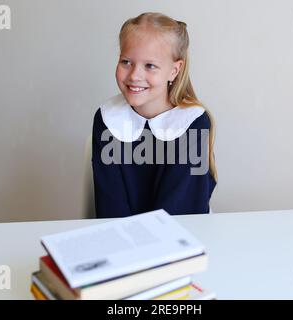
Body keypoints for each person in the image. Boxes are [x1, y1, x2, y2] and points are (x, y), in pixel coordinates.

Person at [92, 12, 217, 218]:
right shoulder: (107, 119)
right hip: (125, 239)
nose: (134, 75)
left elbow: (182, 210)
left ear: (174, 71)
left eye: (150, 65)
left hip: (181, 237)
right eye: (126, 62)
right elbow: (110, 206)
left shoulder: (193, 123)